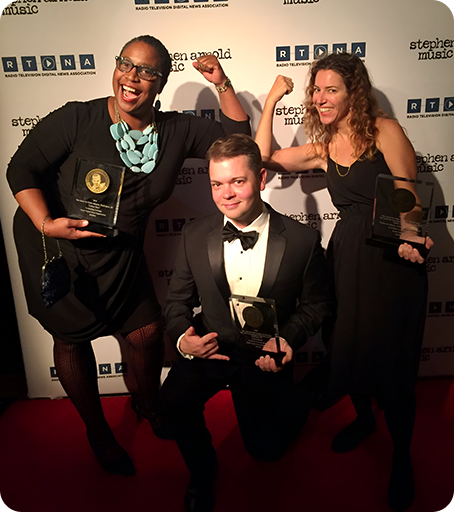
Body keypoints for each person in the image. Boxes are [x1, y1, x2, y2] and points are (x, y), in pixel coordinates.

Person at [6, 35, 250, 476]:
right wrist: (46, 223)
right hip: (63, 248)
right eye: (126, 65)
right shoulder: (77, 118)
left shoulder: (175, 130)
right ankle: (98, 432)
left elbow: (237, 138)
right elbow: (20, 169)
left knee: (145, 333)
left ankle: (148, 404)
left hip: (121, 254)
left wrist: (221, 82)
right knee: (72, 341)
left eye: (146, 71)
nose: (132, 77)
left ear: (161, 82)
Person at [255, 52, 433, 512]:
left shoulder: (386, 130)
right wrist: (273, 100)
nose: (320, 98)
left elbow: (408, 196)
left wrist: (405, 235)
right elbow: (266, 158)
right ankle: (362, 420)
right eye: (316, 90)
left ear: (354, 90)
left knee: (391, 362)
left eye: (331, 89)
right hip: (347, 257)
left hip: (391, 257)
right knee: (347, 345)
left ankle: (401, 457)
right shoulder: (325, 143)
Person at [155, 133, 332, 512]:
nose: (226, 194)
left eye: (238, 181)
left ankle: (305, 393)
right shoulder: (194, 233)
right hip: (212, 346)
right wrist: (184, 341)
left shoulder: (301, 240)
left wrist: (289, 341)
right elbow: (177, 302)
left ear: (261, 178)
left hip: (264, 353)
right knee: (171, 404)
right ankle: (203, 475)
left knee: (267, 453)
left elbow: (317, 304)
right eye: (217, 184)